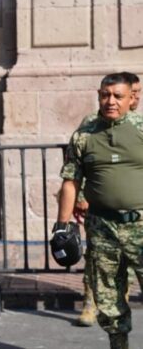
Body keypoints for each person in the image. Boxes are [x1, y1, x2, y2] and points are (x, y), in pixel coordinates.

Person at [56, 72, 143, 348]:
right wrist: (61, 227)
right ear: (98, 96)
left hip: (140, 226)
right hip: (102, 228)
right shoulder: (84, 135)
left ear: (131, 98)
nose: (111, 101)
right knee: (109, 300)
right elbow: (71, 181)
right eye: (105, 95)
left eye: (118, 96)